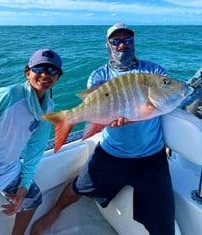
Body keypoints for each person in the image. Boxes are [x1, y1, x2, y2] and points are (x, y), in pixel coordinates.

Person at [30, 23, 199, 235]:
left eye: (127, 40)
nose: (122, 45)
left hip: (151, 156)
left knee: (163, 224)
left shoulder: (154, 71)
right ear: (108, 45)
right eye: (115, 41)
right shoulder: (99, 75)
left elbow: (167, 98)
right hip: (112, 152)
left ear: (133, 43)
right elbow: (98, 109)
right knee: (78, 187)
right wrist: (103, 118)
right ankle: (54, 212)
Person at [0, 48, 63, 235]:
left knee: (32, 199)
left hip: (6, 170)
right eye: (39, 69)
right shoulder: (7, 95)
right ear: (27, 72)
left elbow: (36, 149)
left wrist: (24, 184)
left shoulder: (48, 108)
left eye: (52, 70)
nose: (45, 74)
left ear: (58, 77)